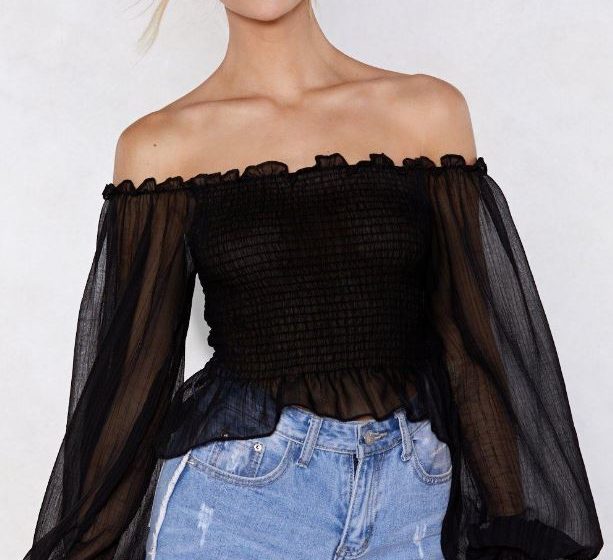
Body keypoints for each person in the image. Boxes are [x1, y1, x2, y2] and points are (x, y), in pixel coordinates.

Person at [24, 1, 604, 559]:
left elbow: (473, 351)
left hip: (412, 507)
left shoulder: (426, 112)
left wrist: (510, 526)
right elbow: (131, 388)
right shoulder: (162, 146)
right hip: (236, 509)